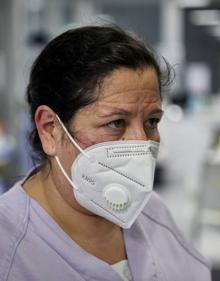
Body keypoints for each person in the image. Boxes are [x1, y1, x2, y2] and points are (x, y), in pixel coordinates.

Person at [0, 26, 211, 281]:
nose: (141, 142)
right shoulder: (9, 251)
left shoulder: (152, 213)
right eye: (116, 123)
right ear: (50, 130)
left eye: (152, 121)